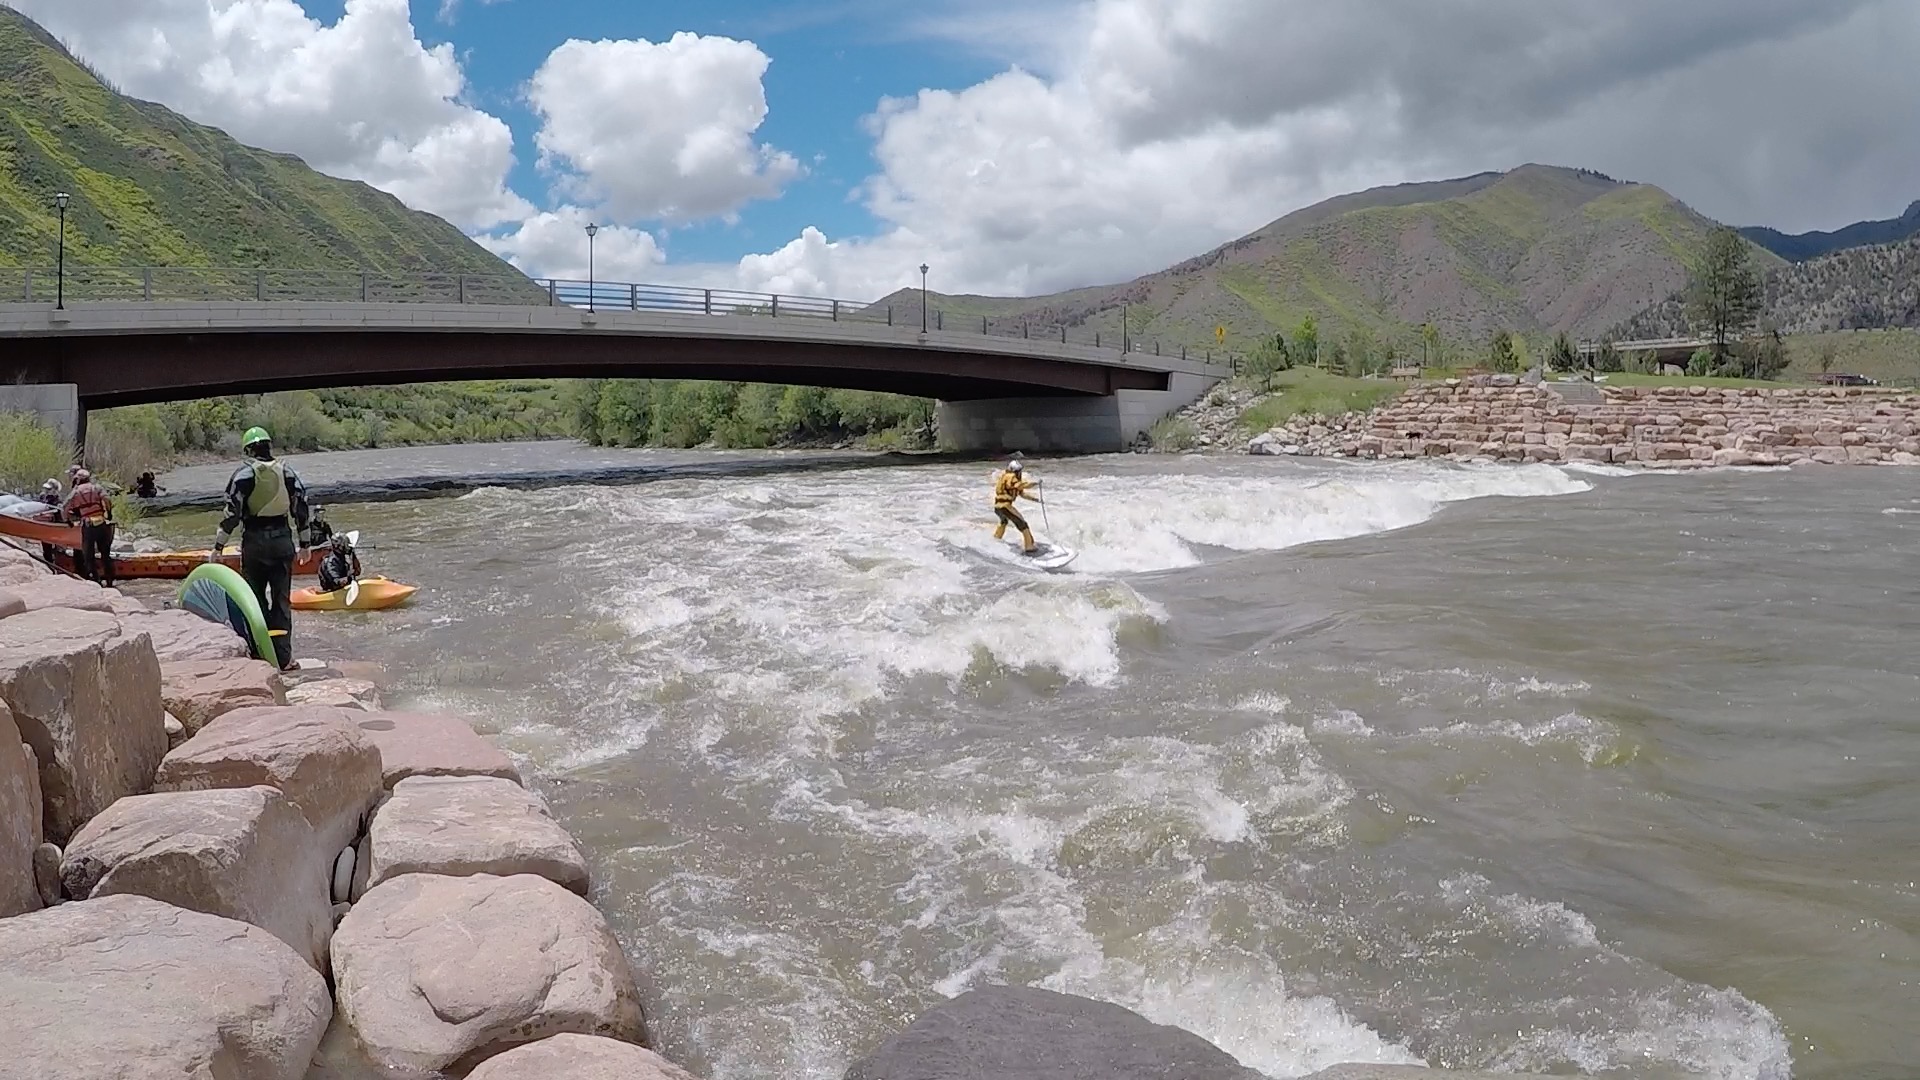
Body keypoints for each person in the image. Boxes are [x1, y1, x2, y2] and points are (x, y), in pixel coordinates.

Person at [210, 427, 311, 671]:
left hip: (254, 543)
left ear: (248, 449)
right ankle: (284, 658)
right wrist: (305, 543)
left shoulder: (243, 474)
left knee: (254, 601)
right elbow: (301, 506)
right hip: (282, 542)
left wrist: (218, 546)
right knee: (281, 602)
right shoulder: (287, 471)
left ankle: (261, 654)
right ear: (268, 446)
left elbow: (231, 513)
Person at [60, 468, 116, 588]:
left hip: (88, 525)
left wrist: (67, 520)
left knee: (88, 556)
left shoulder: (75, 492)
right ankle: (110, 581)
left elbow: (65, 507)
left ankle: (96, 581)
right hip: (101, 522)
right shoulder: (97, 488)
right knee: (105, 555)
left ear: (78, 479)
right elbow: (107, 500)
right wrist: (109, 513)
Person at [991, 459, 1044, 555]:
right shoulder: (1011, 477)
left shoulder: (1005, 478)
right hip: (1005, 506)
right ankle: (1029, 547)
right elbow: (1022, 486)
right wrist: (1035, 483)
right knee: (1023, 524)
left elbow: (1022, 494)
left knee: (1003, 522)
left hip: (998, 507)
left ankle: (996, 539)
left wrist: (1036, 500)